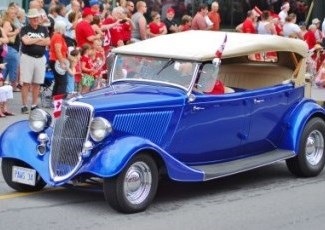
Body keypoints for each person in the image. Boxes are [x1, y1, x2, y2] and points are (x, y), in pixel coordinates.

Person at [20, 8, 50, 114]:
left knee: (37, 82)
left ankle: (34, 104)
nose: (35, 19)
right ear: (29, 19)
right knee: (26, 82)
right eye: (33, 18)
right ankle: (24, 105)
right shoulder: (24, 29)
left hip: (40, 58)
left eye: (37, 17)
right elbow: (26, 42)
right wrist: (39, 40)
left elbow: (48, 42)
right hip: (28, 57)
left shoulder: (43, 29)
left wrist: (33, 41)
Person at [2, 5, 21, 91]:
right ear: (8, 14)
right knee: (12, 66)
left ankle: (5, 85)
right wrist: (15, 32)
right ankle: (12, 86)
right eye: (12, 13)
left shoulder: (11, 22)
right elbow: (4, 33)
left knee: (6, 67)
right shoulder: (7, 22)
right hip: (10, 48)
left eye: (15, 13)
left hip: (11, 48)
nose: (14, 15)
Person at [49, 20, 69, 97]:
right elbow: (58, 51)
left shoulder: (57, 36)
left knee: (58, 81)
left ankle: (55, 99)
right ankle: (59, 101)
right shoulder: (58, 36)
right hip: (57, 61)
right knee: (63, 82)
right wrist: (62, 63)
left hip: (55, 60)